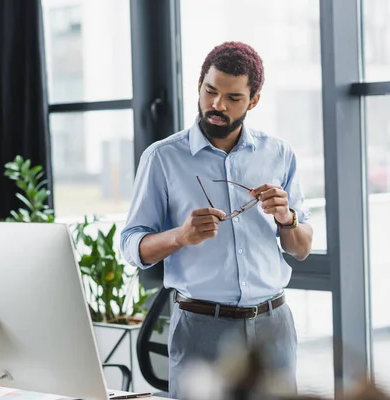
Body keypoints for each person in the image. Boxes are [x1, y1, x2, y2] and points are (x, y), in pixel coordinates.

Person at [120, 41, 313, 398]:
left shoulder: (279, 153)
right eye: (210, 91)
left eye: (233, 98)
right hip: (200, 329)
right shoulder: (162, 158)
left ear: (253, 100)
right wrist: (180, 236)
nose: (217, 105)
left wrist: (287, 218)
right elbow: (132, 247)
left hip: (273, 328)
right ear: (199, 85)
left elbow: (301, 248)